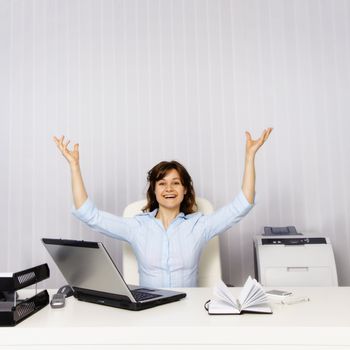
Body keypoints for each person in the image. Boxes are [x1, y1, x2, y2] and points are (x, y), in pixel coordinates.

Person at [53, 128, 272, 288]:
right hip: (149, 311)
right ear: (154, 191)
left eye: (176, 182)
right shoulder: (137, 226)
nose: (169, 188)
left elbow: (242, 204)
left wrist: (249, 157)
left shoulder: (200, 225)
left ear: (185, 189)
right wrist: (74, 166)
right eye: (162, 183)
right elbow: (88, 214)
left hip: (189, 310)